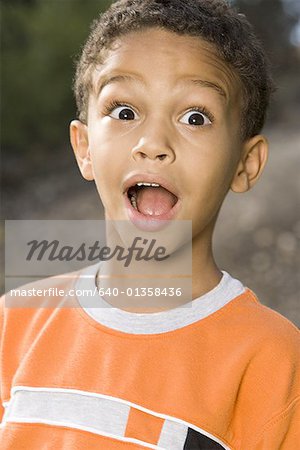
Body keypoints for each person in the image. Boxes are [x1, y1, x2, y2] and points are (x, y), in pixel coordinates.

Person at [1, 0, 299, 448]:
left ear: (245, 163)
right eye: (124, 111)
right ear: (84, 147)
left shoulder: (273, 360)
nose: (152, 143)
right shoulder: (12, 324)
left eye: (194, 117)